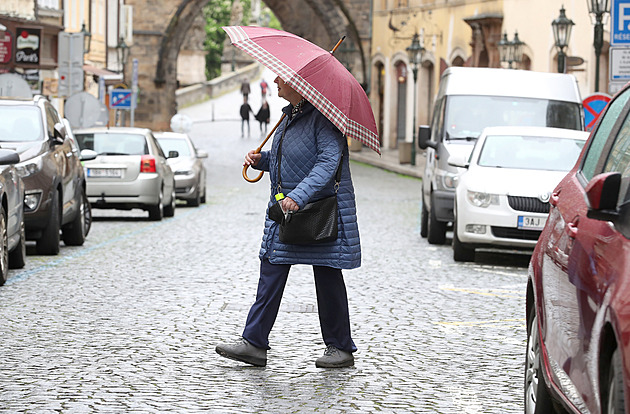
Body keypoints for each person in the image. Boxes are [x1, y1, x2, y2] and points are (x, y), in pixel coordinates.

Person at [216, 76, 360, 368]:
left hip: (320, 212)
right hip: (287, 212)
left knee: (328, 275)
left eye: (282, 78)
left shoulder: (324, 119)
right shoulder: (287, 118)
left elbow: (328, 162)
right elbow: (290, 160)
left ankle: (340, 347)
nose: (276, 81)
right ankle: (254, 343)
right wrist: (263, 161)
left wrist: (299, 196)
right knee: (271, 268)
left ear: (300, 85)